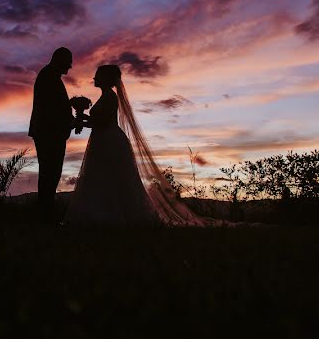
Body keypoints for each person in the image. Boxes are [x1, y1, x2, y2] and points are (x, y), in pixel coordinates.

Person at [65, 64, 204, 227]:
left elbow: (101, 123)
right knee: (101, 177)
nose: (94, 78)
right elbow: (98, 123)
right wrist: (82, 118)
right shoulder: (105, 96)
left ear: (106, 78)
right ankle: (100, 215)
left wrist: (82, 118)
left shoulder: (110, 97)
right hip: (103, 140)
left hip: (110, 141)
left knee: (111, 178)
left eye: (98, 75)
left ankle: (111, 217)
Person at [28, 47, 76, 224]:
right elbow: (54, 109)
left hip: (48, 132)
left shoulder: (50, 76)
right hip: (48, 133)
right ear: (59, 59)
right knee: (50, 173)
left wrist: (72, 119)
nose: (70, 66)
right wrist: (71, 121)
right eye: (68, 61)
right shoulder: (48, 76)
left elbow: (58, 107)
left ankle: (46, 215)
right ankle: (46, 217)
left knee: (50, 173)